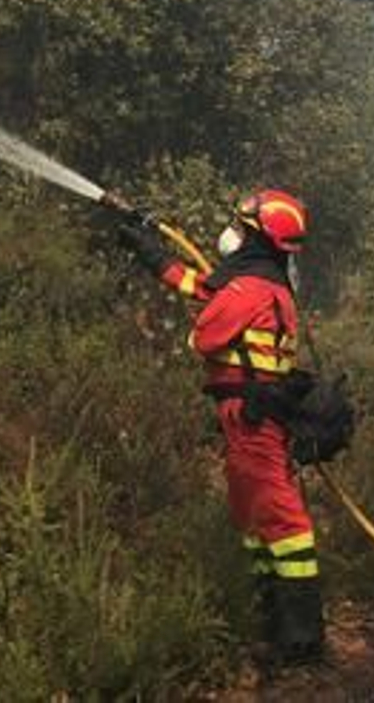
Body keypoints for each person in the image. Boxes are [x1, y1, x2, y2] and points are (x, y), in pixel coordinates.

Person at [118, 189, 325, 666]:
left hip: (254, 415)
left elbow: (203, 335)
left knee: (280, 518)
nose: (232, 231)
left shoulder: (249, 289)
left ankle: (300, 636)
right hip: (246, 414)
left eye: (241, 225)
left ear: (259, 239)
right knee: (252, 514)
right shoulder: (258, 282)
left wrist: (203, 317)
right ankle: (270, 618)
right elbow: (201, 286)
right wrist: (151, 252)